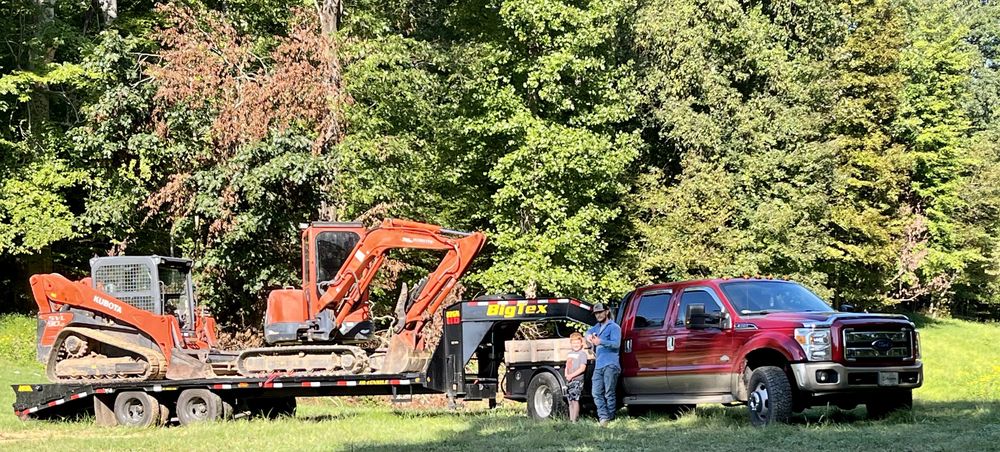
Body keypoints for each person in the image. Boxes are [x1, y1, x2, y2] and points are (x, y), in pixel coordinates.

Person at [586, 303, 621, 425]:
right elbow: (588, 332)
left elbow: (616, 344)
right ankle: (603, 417)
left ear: (607, 312)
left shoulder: (614, 327)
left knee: (609, 392)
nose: (598, 315)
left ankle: (610, 418)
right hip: (599, 364)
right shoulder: (596, 327)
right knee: (596, 392)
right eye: (596, 313)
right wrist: (589, 336)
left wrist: (600, 341)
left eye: (600, 312)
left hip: (611, 364)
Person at [563, 332, 588, 422]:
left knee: (575, 399)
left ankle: (575, 420)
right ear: (571, 344)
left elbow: (582, 368)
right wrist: (566, 374)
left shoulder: (582, 354)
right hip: (569, 380)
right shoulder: (569, 354)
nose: (576, 345)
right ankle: (571, 419)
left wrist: (572, 376)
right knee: (570, 400)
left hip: (577, 380)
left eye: (577, 343)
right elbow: (567, 365)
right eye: (574, 343)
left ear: (581, 343)